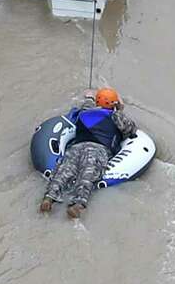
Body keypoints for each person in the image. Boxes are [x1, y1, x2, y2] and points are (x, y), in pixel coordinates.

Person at [39, 87, 137, 219]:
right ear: (114, 104)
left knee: (63, 172)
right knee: (87, 176)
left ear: (97, 102)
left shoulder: (84, 113)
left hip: (76, 147)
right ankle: (78, 204)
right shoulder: (115, 116)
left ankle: (49, 198)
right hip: (98, 150)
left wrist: (89, 97)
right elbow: (130, 129)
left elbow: (87, 104)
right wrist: (119, 109)